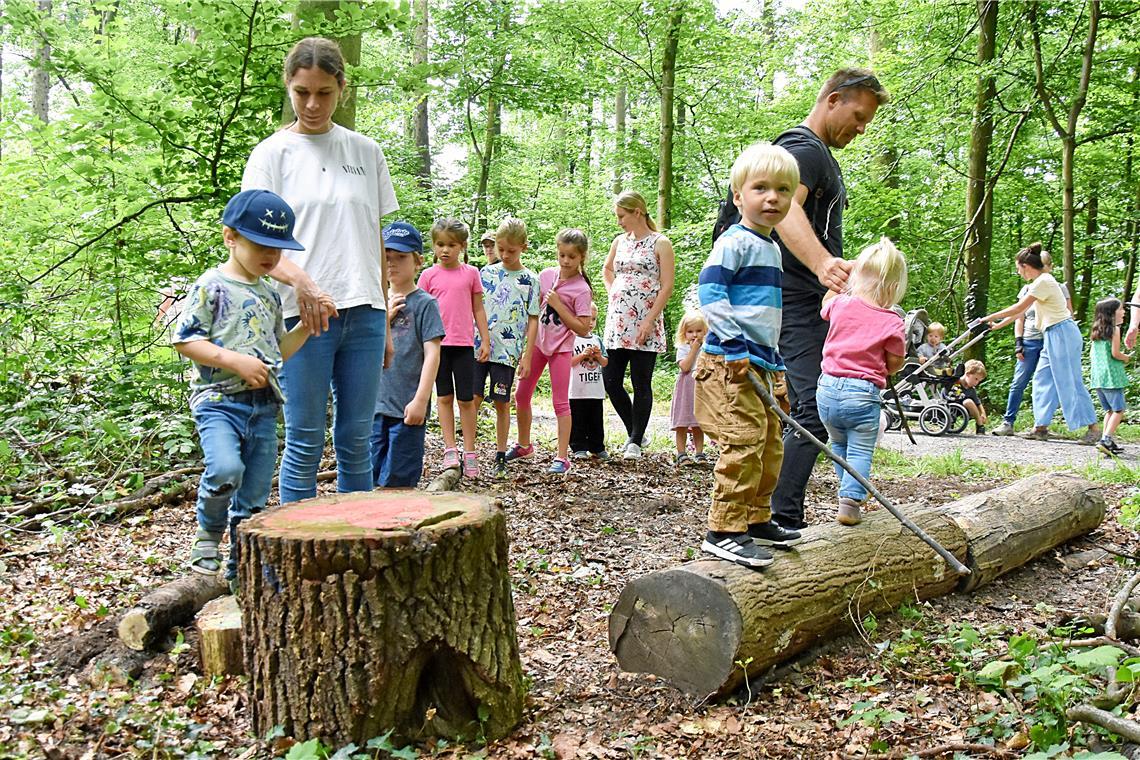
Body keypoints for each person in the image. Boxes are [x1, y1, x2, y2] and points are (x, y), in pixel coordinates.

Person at [714, 69, 889, 532]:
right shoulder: (803, 150)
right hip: (784, 299)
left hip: (796, 300)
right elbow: (786, 209)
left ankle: (769, 514)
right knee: (810, 407)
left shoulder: (816, 155)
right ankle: (775, 516)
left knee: (794, 410)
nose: (861, 128)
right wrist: (820, 264)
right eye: (858, 116)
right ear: (832, 100)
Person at [242, 36, 399, 504]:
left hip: (366, 312)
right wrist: (302, 281)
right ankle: (300, 558)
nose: (312, 104)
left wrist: (385, 312)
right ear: (288, 88)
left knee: (356, 441)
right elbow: (254, 245)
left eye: (324, 93)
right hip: (302, 314)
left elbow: (373, 233)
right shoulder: (271, 155)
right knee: (306, 442)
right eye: (302, 92)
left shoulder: (365, 152)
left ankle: (358, 548)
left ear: (342, 89)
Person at [172, 189, 314, 588]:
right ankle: (207, 537)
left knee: (253, 496)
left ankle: (241, 567)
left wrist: (306, 326)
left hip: (264, 407)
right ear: (230, 237)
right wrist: (234, 360)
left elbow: (277, 351)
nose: (270, 256)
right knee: (225, 469)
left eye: (278, 248)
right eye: (260, 244)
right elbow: (186, 341)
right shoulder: (211, 286)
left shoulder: (270, 294)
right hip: (218, 402)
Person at [696, 142, 803, 569]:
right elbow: (710, 293)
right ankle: (723, 529)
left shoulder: (772, 248)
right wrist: (735, 345)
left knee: (770, 445)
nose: (772, 197)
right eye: (761, 188)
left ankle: (756, 518)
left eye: (782, 190)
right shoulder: (734, 242)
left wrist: (775, 363)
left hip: (763, 361)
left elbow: (766, 316)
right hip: (731, 361)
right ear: (739, 196)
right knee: (742, 442)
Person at [815, 238, 907, 527]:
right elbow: (894, 363)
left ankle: (847, 493)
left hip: (827, 390)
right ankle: (851, 500)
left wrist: (840, 281)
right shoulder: (893, 321)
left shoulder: (841, 304)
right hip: (862, 394)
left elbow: (825, 303)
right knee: (859, 450)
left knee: (838, 444)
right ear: (893, 288)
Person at [979, 242, 1100, 443]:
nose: (1019, 273)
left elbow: (1019, 306)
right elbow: (1021, 312)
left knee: (1070, 379)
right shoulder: (1038, 283)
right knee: (1042, 378)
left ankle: (1093, 428)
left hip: (1063, 332)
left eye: (1019, 269)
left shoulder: (1044, 281)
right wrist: (998, 324)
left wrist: (986, 317)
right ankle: (1040, 427)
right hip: (1051, 334)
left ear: (1026, 266)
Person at [509, 229, 595, 474]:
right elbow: (532, 311)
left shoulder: (581, 289)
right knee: (521, 394)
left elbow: (583, 328)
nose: (566, 261)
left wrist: (559, 304)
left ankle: (562, 457)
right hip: (537, 344)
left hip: (561, 349)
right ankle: (524, 444)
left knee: (560, 403)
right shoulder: (546, 276)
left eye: (571, 257)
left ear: (581, 258)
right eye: (562, 255)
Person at [370, 222, 444, 487]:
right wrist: (385, 317)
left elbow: (433, 353)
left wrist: (421, 400)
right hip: (373, 407)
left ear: (418, 262)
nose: (392, 264)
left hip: (406, 407)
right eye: (387, 257)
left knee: (399, 482)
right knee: (368, 479)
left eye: (400, 257)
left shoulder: (425, 304)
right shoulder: (373, 300)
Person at [602, 191, 675, 460]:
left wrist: (649, 319)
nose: (619, 222)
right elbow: (607, 270)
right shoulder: (619, 242)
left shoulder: (660, 243)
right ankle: (636, 429)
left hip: (646, 320)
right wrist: (613, 292)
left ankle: (634, 441)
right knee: (611, 381)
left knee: (640, 380)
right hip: (619, 320)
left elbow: (667, 285)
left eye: (622, 216)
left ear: (637, 212)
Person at [418, 219, 491, 477]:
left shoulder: (471, 273)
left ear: (462, 246)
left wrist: (485, 339)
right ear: (434, 246)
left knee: (466, 399)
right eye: (440, 245)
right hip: (437, 346)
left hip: (463, 345)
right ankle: (450, 448)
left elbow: (478, 308)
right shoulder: (427, 276)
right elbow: (420, 311)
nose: (445, 250)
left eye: (451, 245)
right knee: (444, 397)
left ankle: (470, 450)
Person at [475, 217, 540, 479]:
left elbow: (533, 318)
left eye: (510, 251)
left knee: (501, 402)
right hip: (480, 348)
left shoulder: (530, 280)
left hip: (508, 352)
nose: (504, 255)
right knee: (473, 398)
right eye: (500, 249)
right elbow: (476, 308)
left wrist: (527, 354)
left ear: (523, 247)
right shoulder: (485, 273)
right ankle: (467, 451)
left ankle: (500, 455)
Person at [991, 251, 1071, 436]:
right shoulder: (1027, 289)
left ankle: (1041, 426)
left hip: (1051, 339)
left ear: (1048, 267)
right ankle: (1008, 422)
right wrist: (1018, 341)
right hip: (1030, 340)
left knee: (1046, 382)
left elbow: (1067, 314)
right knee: (1019, 382)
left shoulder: (1057, 287)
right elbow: (1019, 315)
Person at [1088, 297, 1132, 457]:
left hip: (1098, 378)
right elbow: (1115, 354)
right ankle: (1105, 440)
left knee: (1109, 411)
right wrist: (1126, 357)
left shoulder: (1096, 331)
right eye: (1121, 309)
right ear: (1112, 313)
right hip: (1112, 377)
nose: (1124, 312)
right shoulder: (1115, 330)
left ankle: (1107, 441)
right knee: (1119, 410)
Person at [569, 305, 610, 460]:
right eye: (587, 318)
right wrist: (582, 355)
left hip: (595, 389)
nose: (591, 323)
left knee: (596, 419)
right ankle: (578, 447)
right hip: (576, 390)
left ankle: (597, 447)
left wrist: (598, 356)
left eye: (593, 319)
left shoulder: (597, 340)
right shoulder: (572, 339)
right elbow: (568, 362)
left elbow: (605, 362)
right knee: (578, 419)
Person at [671, 310, 708, 466]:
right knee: (683, 421)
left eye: (699, 331)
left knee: (699, 422)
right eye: (690, 331)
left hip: (702, 387)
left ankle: (699, 453)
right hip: (686, 387)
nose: (695, 335)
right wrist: (693, 350)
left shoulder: (707, 348)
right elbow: (685, 367)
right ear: (684, 333)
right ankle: (681, 453)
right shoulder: (683, 348)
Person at [948, 359, 988, 435]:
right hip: (948, 406)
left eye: (979, 381)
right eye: (975, 379)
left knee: (968, 401)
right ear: (967, 374)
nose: (976, 383)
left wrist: (983, 413)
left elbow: (978, 402)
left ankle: (980, 425)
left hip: (962, 410)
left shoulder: (971, 390)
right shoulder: (953, 382)